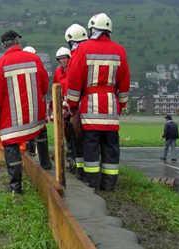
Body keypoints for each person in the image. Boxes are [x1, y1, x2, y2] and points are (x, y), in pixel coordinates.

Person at [65, 13, 130, 191]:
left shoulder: (83, 49)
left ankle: (91, 183)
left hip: (90, 107)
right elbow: (124, 82)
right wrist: (121, 104)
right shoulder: (120, 50)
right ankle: (109, 184)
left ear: (92, 29)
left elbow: (74, 80)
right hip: (111, 107)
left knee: (91, 147)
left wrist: (72, 105)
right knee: (111, 147)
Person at [0, 30, 49, 193]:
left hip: (11, 121)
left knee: (11, 147)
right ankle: (46, 166)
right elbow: (44, 84)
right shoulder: (34, 59)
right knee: (41, 134)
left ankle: (16, 187)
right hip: (35, 118)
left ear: (3, 45)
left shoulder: (0, 64)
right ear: (17, 42)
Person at [64, 24, 89, 179]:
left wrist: (70, 106)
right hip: (93, 104)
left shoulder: (76, 57)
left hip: (80, 105)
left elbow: (73, 85)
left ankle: (81, 171)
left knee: (78, 140)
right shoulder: (90, 53)